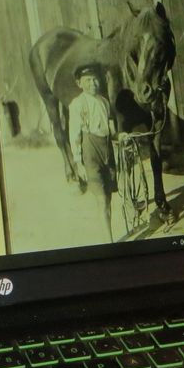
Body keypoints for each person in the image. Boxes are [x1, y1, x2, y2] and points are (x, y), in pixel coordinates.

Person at [68, 64, 115, 241]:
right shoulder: (77, 104)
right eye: (88, 80)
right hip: (91, 154)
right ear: (79, 83)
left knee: (108, 199)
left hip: (107, 152)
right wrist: (78, 163)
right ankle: (109, 242)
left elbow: (111, 129)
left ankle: (109, 236)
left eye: (95, 79)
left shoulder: (104, 102)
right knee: (101, 200)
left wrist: (121, 135)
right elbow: (74, 135)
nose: (93, 84)